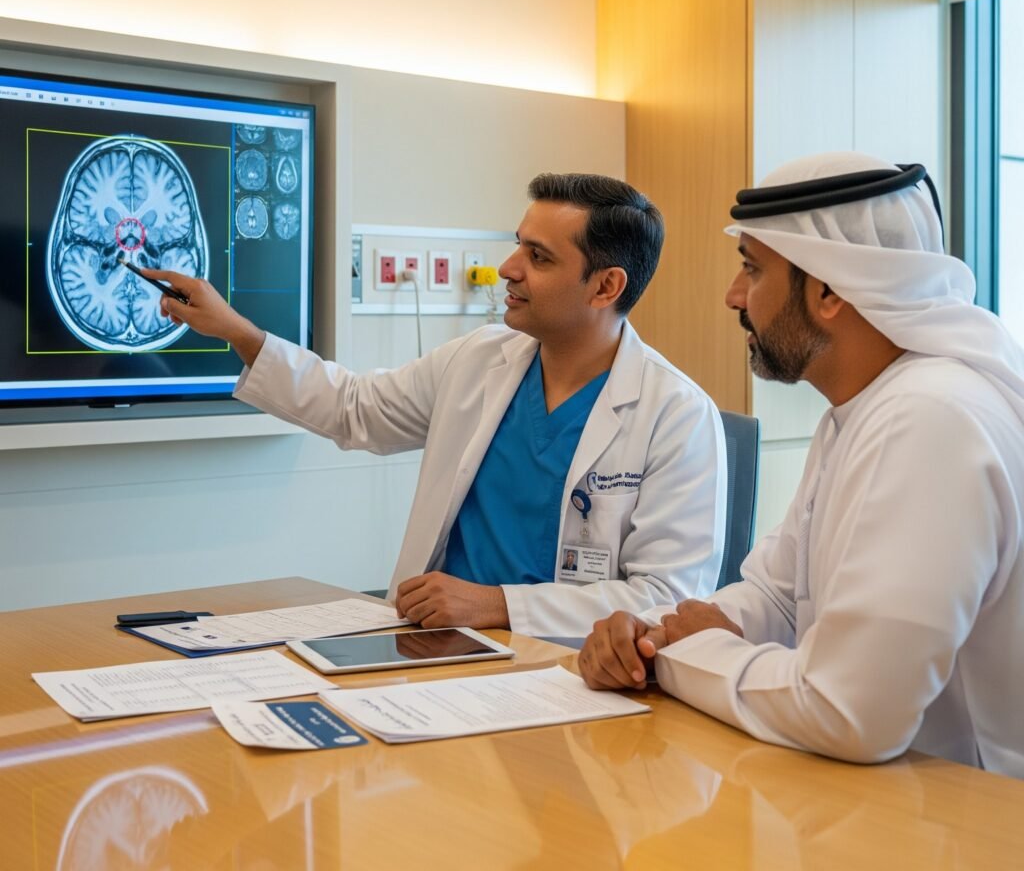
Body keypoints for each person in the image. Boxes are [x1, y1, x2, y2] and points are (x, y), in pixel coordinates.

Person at [578, 152, 1024, 778]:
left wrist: (687, 653)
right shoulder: (864, 409)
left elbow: (851, 711)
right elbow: (781, 598)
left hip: (973, 823)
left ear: (830, 290)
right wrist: (646, 636)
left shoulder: (930, 419)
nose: (734, 295)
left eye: (753, 270)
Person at [146, 173, 726, 637]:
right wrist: (235, 330)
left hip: (564, 668)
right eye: (517, 244)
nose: (509, 268)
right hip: (433, 644)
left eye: (540, 257)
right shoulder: (480, 359)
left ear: (606, 287)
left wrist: (499, 606)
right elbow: (356, 408)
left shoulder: (676, 414)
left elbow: (665, 600)